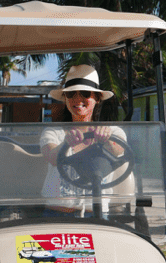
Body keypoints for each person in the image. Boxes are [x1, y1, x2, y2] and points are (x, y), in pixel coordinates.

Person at [40, 65, 126, 215]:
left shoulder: (113, 132)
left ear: (97, 98)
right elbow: (52, 157)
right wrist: (67, 143)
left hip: (96, 213)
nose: (78, 99)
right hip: (56, 214)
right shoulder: (53, 132)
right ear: (65, 99)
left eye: (85, 93)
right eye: (71, 94)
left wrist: (106, 140)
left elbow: (118, 148)